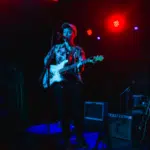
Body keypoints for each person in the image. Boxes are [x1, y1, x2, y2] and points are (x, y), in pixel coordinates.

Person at [42, 22, 87, 149]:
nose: (66, 33)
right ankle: (66, 139)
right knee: (63, 113)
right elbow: (46, 62)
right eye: (65, 31)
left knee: (77, 112)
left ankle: (79, 138)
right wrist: (50, 66)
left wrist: (79, 66)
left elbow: (81, 68)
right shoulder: (56, 47)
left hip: (74, 84)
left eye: (69, 31)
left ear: (74, 34)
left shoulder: (78, 50)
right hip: (59, 84)